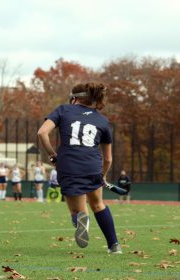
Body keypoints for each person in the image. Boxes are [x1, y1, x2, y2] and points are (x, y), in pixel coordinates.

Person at [37, 82, 122, 254]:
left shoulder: (63, 110)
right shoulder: (102, 121)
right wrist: (103, 176)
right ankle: (114, 245)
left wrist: (52, 154)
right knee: (98, 204)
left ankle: (81, 219)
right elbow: (108, 158)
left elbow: (42, 133)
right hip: (93, 166)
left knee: (76, 210)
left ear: (74, 99)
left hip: (68, 165)